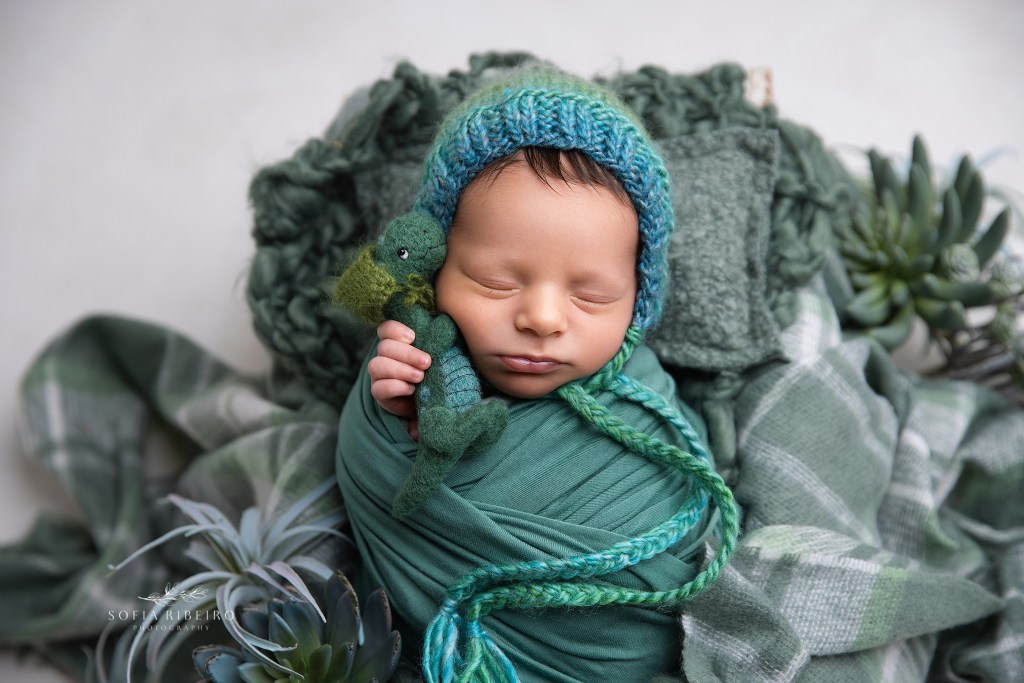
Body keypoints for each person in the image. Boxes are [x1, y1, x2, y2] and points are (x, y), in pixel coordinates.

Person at [335, 66, 737, 683]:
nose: (542, 318)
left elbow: (691, 527)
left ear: (638, 303)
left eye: (594, 297)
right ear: (437, 266)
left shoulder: (648, 402)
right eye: (497, 282)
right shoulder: (419, 360)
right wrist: (393, 409)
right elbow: (381, 481)